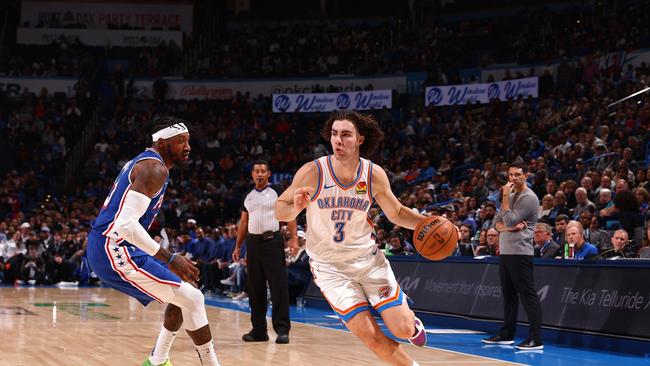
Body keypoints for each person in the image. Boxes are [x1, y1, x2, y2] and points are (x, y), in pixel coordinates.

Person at [276, 110, 427, 366]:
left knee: (401, 329)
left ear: (360, 139)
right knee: (370, 337)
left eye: (345, 135)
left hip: (368, 262)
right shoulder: (313, 172)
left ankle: (411, 325)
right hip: (330, 269)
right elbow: (281, 208)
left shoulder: (372, 174)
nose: (338, 140)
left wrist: (430, 222)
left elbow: (398, 213)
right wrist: (296, 207)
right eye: (334, 134)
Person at [87, 116, 221, 366]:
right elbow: (125, 226)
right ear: (161, 142)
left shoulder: (149, 163)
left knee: (185, 293)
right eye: (180, 141)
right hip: (113, 248)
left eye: (188, 141)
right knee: (193, 299)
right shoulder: (154, 169)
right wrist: (169, 257)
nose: (187, 147)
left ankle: (158, 359)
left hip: (113, 245)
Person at [232, 160, 296, 344]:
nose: (259, 174)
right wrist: (238, 246)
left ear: (269, 174)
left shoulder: (277, 191)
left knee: (278, 288)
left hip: (272, 242)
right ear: (252, 175)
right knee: (255, 288)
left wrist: (292, 238)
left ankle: (282, 330)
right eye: (256, 171)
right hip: (253, 244)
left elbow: (290, 213)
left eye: (263, 171)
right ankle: (259, 331)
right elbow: (244, 223)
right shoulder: (248, 195)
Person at [482, 161, 543, 350]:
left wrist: (505, 196)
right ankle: (507, 334)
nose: (513, 178)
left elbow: (506, 218)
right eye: (511, 175)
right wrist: (508, 227)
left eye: (518, 175)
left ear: (525, 176)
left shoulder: (528, 197)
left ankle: (536, 339)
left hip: (520, 253)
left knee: (527, 295)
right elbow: (496, 223)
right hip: (506, 252)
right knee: (509, 296)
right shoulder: (512, 196)